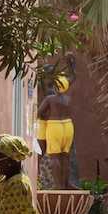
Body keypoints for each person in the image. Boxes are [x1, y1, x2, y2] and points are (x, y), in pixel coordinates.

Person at [34, 54, 76, 190]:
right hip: (44, 122)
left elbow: (73, 77)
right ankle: (35, 178)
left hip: (54, 125)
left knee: (60, 155)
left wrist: (71, 64)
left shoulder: (59, 86)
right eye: (51, 73)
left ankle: (65, 183)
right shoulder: (40, 85)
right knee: (41, 151)